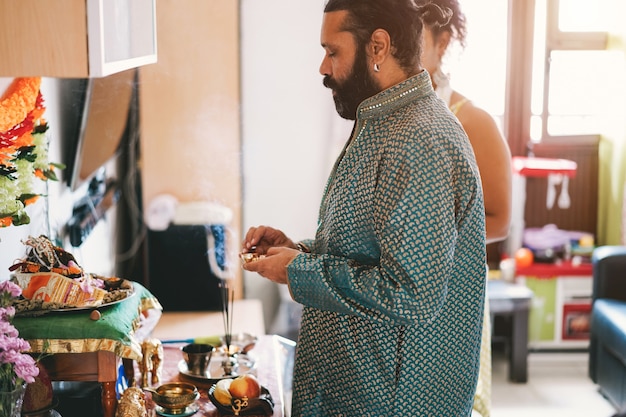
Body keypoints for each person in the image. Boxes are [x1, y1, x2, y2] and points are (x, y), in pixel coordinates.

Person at [242, 0, 486, 415]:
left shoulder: (420, 141)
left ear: (378, 46)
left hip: (390, 402)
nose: (323, 67)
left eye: (333, 51)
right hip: (354, 387)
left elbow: (411, 294)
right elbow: (371, 250)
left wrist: (297, 271)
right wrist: (301, 253)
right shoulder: (384, 122)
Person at [420, 2, 512, 416]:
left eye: (413, 36)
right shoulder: (377, 120)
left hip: (452, 294)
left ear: (443, 42)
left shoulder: (472, 121)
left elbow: (500, 219)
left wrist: (424, 242)